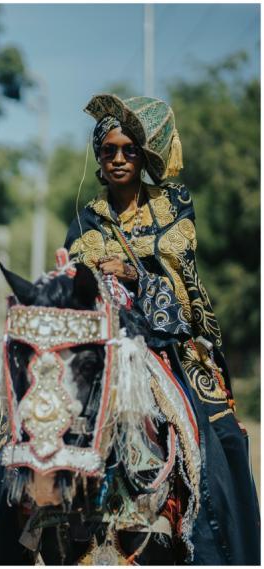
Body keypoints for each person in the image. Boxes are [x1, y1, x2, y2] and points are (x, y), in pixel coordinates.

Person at [63, 94, 259, 565]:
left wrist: (136, 276)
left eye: (128, 150)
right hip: (108, 343)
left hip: (171, 343)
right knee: (19, 429)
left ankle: (230, 553)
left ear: (143, 156)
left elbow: (184, 281)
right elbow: (74, 278)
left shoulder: (174, 205)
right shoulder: (86, 219)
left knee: (226, 436)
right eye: (108, 150)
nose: (117, 159)